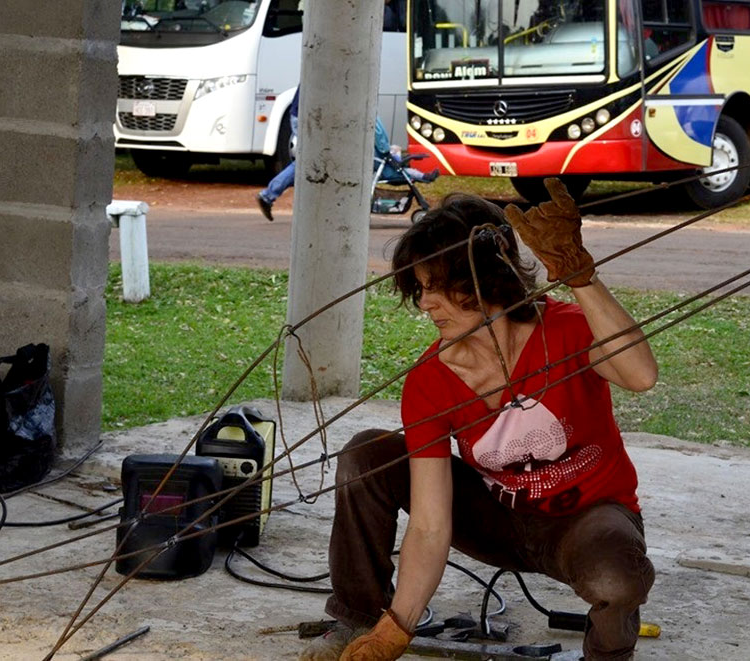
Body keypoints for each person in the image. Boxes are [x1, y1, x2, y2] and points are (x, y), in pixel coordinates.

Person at [300, 179, 657, 661]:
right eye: (420, 289)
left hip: (587, 520)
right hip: (496, 519)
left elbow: (640, 375)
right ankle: (359, 620)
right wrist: (396, 631)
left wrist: (581, 278)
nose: (426, 304)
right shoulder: (430, 380)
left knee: (614, 575)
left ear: (485, 283)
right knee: (368, 455)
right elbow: (429, 524)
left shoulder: (568, 330)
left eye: (439, 288)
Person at [256, 86, 299, 221]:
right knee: (307, 162)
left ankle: (268, 195)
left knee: (307, 162)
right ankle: (268, 195)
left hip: (298, 114)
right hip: (304, 115)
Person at [374, 116, 438, 184]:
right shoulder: (373, 118)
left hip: (380, 157)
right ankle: (423, 176)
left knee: (396, 153)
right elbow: (382, 144)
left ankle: (422, 175)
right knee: (401, 169)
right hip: (383, 162)